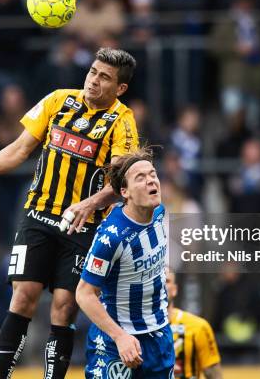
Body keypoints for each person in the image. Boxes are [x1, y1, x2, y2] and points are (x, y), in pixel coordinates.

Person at [0, 48, 139, 379]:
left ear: (120, 89)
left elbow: (120, 182)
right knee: (22, 296)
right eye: (93, 72)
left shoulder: (122, 121)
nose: (94, 80)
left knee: (64, 307)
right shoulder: (58, 100)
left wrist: (89, 203)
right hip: (39, 215)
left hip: (83, 227)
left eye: (105, 77)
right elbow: (19, 148)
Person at [76, 148, 174, 378]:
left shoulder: (159, 212)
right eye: (140, 178)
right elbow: (84, 294)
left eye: (153, 174)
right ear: (124, 192)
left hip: (159, 336)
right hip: (115, 342)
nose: (151, 180)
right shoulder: (111, 238)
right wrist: (120, 336)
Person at [166, 267, 223, 379]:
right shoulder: (133, 328)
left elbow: (214, 375)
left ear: (174, 289)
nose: (161, 286)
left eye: (167, 281)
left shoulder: (198, 326)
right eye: (157, 280)